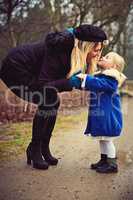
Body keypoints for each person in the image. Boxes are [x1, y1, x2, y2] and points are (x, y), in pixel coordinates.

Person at [0, 24, 107, 170]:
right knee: (48, 100)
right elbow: (46, 84)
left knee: (53, 101)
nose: (97, 53)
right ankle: (35, 149)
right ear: (85, 46)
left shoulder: (71, 50)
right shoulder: (60, 48)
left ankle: (43, 148)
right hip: (16, 68)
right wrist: (70, 82)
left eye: (100, 50)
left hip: (31, 71)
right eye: (96, 49)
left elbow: (55, 81)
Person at [71, 52, 127, 173]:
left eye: (107, 58)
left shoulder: (112, 78)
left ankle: (112, 164)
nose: (102, 57)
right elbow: (94, 85)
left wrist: (86, 78)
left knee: (107, 140)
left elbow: (100, 84)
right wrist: (81, 81)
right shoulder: (102, 76)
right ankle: (104, 160)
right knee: (103, 138)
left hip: (108, 116)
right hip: (102, 114)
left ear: (114, 67)